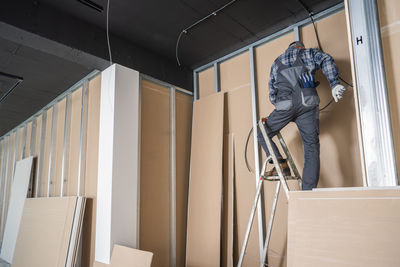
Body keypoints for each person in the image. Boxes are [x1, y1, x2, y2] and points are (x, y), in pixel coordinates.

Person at [258, 41, 346, 190]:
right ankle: (307, 192)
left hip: (284, 105)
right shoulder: (307, 53)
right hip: (308, 104)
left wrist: (283, 108)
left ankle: (280, 163)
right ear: (300, 47)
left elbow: (272, 93)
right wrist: (333, 83)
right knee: (311, 147)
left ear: (289, 48)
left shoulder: (277, 63)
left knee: (262, 133)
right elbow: (326, 59)